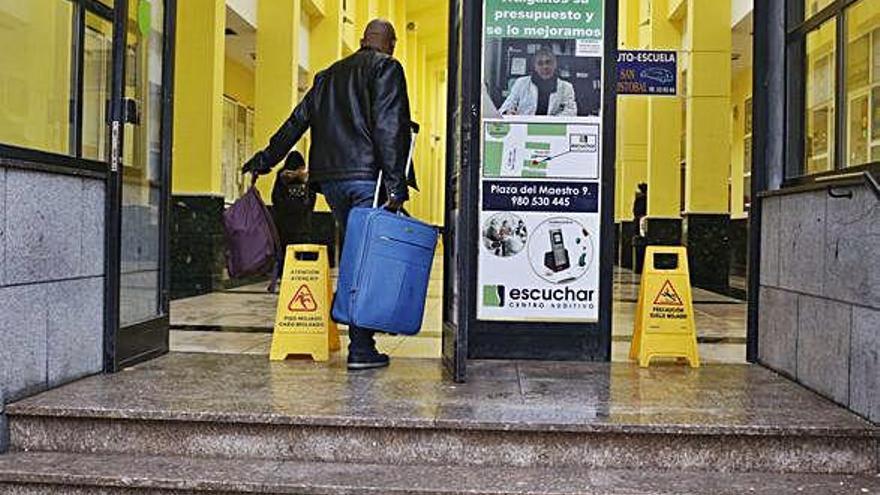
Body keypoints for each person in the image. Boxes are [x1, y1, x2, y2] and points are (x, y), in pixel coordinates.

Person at [242, 19, 412, 370]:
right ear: (390, 44)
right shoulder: (387, 68)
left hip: (332, 181)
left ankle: (357, 330)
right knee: (366, 260)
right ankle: (361, 346)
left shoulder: (327, 76)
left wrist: (265, 159)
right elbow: (389, 126)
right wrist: (396, 183)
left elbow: (296, 122)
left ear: (363, 41)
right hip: (368, 178)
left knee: (356, 253)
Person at [268, 151, 316, 294]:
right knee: (300, 252)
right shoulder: (306, 178)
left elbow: (275, 198)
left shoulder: (281, 177)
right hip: (302, 223)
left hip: (284, 223)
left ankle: (284, 278)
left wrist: (286, 209)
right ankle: (299, 278)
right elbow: (312, 198)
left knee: (283, 252)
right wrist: (304, 209)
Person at [499, 48, 577, 117]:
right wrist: (508, 113)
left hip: (553, 130)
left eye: (548, 62)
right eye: (540, 63)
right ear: (535, 67)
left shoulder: (566, 87)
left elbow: (571, 112)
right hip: (524, 129)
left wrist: (550, 121)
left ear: (555, 64)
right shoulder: (521, 83)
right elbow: (505, 108)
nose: (545, 67)